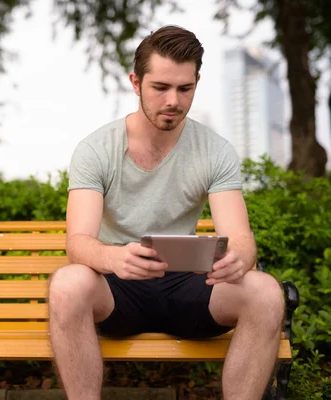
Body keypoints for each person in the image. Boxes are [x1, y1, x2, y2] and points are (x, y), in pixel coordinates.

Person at [48, 25, 285, 400]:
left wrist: (239, 259)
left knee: (266, 292)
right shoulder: (96, 149)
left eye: (184, 88)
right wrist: (114, 257)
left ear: (196, 83)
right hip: (117, 287)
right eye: (160, 87)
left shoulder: (215, 150)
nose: (172, 100)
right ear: (135, 82)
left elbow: (241, 237)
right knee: (67, 283)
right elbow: (77, 243)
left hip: (187, 286)